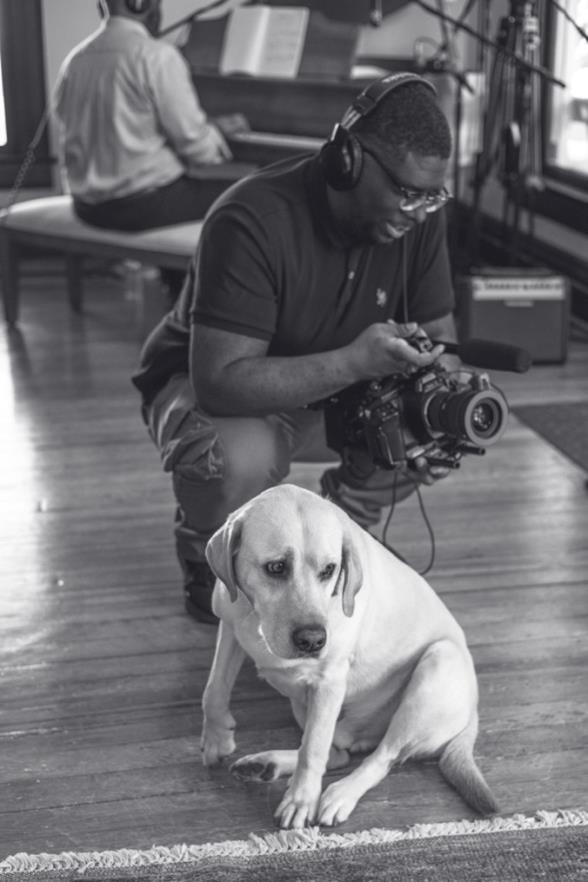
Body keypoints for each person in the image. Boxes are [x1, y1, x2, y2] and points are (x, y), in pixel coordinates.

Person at [132, 72, 459, 625]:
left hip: (334, 394)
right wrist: (354, 361)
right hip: (210, 390)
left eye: (432, 196)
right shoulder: (252, 219)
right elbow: (221, 380)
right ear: (347, 160)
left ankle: (339, 546)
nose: (418, 210)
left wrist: (440, 411)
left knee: (419, 420)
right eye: (406, 192)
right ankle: (208, 559)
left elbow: (442, 342)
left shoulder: (418, 220)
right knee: (239, 455)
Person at [53, 0, 253, 294]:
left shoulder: (76, 59)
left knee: (184, 181)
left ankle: (177, 285)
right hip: (140, 207)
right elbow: (198, 149)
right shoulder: (156, 55)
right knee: (254, 191)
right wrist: (216, 131)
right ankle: (219, 299)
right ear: (141, 3)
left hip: (87, 206)